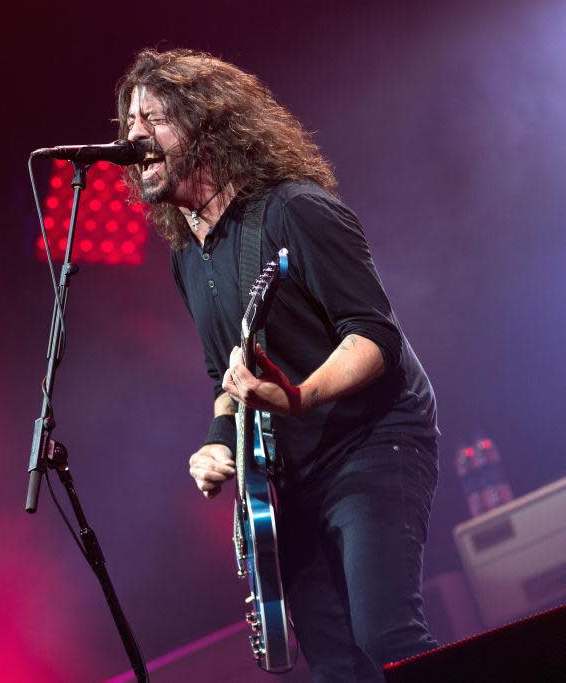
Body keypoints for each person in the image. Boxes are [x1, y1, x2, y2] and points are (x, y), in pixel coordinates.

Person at [116, 48, 440, 681]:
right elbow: (225, 375)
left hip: (371, 444)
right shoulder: (188, 256)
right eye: (129, 120)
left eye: (152, 118)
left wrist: (302, 395)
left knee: (385, 635)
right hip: (288, 473)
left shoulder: (295, 211)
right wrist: (216, 443)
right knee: (335, 665)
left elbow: (376, 335)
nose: (133, 136)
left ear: (206, 126)